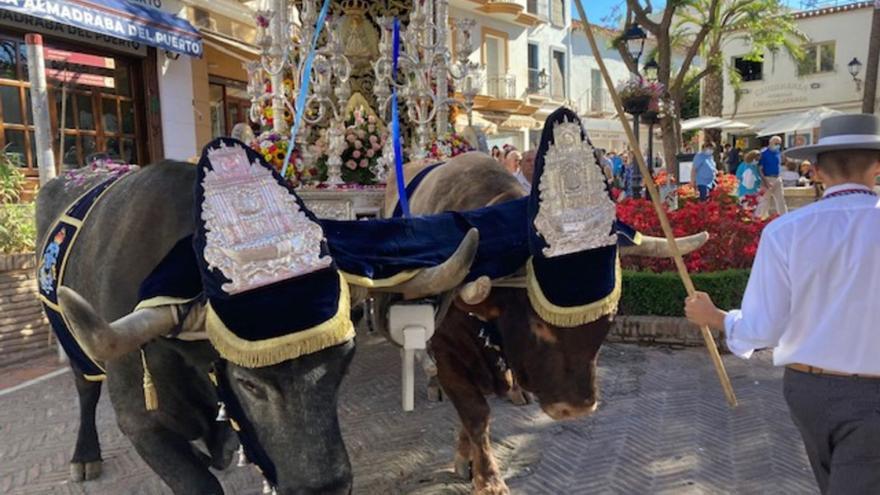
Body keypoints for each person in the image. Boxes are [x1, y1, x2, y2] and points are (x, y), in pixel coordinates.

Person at [684, 113, 880, 495]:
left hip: (808, 391)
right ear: (878, 166)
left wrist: (717, 317)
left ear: (817, 171)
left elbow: (764, 327)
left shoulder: (786, 231)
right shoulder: (786, 231)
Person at [757, 135, 788, 217]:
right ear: (770, 143)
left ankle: (784, 218)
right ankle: (759, 219)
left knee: (781, 200)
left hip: (777, 178)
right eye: (776, 143)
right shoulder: (764, 154)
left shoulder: (778, 153)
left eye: (779, 143)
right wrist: (765, 181)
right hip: (767, 178)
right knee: (764, 201)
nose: (778, 145)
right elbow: (760, 169)